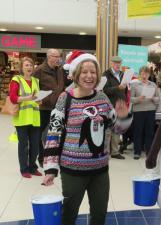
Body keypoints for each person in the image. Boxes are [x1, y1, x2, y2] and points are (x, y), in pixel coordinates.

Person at [42, 53, 131, 225]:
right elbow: (53, 134)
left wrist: (124, 116)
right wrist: (51, 169)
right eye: (84, 72)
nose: (89, 76)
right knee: (68, 215)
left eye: (93, 72)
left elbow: (117, 128)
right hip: (72, 171)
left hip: (100, 170)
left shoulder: (102, 98)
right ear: (76, 74)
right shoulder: (65, 98)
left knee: (99, 215)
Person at [9, 57, 42, 178]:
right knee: (23, 146)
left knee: (35, 145)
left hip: (34, 117)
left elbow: (37, 99)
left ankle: (33, 167)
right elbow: (13, 98)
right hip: (22, 118)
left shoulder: (36, 81)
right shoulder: (16, 79)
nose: (29, 67)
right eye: (26, 65)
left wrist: (39, 101)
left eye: (31, 65)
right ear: (21, 67)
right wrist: (29, 98)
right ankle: (24, 169)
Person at [33, 49, 65, 167]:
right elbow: (34, 90)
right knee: (41, 135)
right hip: (43, 108)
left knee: (55, 133)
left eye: (59, 56)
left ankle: (53, 157)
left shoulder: (60, 70)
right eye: (55, 56)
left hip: (57, 107)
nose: (58, 58)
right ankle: (41, 158)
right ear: (49, 57)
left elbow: (60, 86)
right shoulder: (39, 70)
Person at [131, 66, 160, 159]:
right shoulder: (134, 85)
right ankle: (137, 152)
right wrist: (138, 99)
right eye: (142, 73)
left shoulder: (153, 85)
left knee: (150, 132)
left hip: (150, 110)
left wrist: (152, 98)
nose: (144, 76)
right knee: (138, 131)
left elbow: (158, 99)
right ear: (139, 74)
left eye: (146, 74)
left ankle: (149, 151)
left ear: (149, 74)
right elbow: (131, 99)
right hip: (138, 111)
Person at [103, 56, 127, 159]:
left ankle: (115, 152)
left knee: (118, 129)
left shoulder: (122, 74)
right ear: (111, 63)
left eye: (119, 63)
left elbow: (125, 90)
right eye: (116, 63)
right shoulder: (106, 74)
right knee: (108, 130)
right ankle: (106, 151)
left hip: (120, 104)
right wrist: (117, 87)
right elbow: (105, 90)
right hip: (110, 105)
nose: (118, 65)